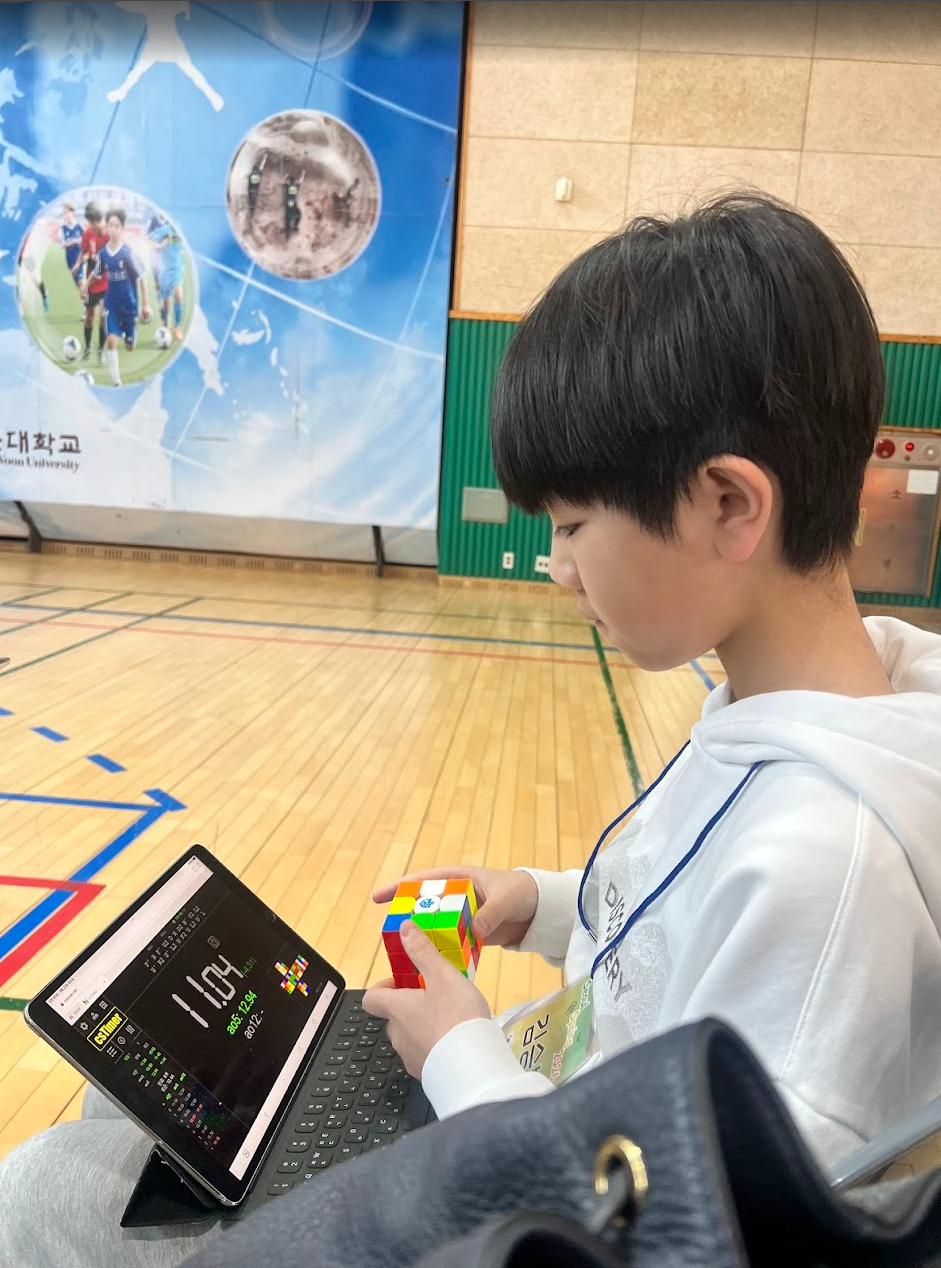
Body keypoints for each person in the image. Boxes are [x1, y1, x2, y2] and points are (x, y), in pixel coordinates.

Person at [362, 193, 941, 1172]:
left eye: (572, 524)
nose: (557, 566)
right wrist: (543, 904)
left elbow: (686, 1216)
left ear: (728, 505)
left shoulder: (826, 864)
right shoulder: (793, 708)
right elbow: (689, 939)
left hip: (548, 1186)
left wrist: (464, 1065)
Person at [92, 206, 152, 386]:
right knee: (111, 340)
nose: (112, 229)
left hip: (129, 306)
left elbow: (142, 277)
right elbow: (96, 273)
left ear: (122, 229)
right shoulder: (103, 254)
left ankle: (130, 335)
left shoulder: (128, 253)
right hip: (111, 304)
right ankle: (116, 380)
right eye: (110, 225)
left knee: (129, 347)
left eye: (116, 226)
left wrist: (145, 305)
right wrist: (85, 286)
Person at [73, 201, 109, 364]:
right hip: (91, 281)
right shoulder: (88, 233)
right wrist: (77, 263)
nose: (91, 226)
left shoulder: (110, 236)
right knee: (89, 317)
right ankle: (87, 348)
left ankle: (100, 351)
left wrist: (84, 286)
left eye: (92, 223)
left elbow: (102, 268)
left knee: (103, 316)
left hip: (106, 282)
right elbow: (84, 250)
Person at [150, 217, 185, 341]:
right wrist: (160, 246)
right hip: (164, 270)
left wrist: (172, 239)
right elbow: (150, 241)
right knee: (166, 300)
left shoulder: (182, 230)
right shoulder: (164, 229)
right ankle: (165, 324)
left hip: (177, 269)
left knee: (178, 295)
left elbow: (183, 242)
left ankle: (177, 327)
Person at [59, 200, 83, 298]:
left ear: (72, 212)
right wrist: (73, 241)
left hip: (80, 259)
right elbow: (62, 244)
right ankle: (86, 302)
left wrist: (77, 241)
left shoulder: (79, 226)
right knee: (78, 285)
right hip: (70, 260)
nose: (65, 215)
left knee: (81, 282)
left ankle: (91, 302)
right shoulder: (63, 228)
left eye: (66, 213)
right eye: (63, 213)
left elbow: (87, 239)